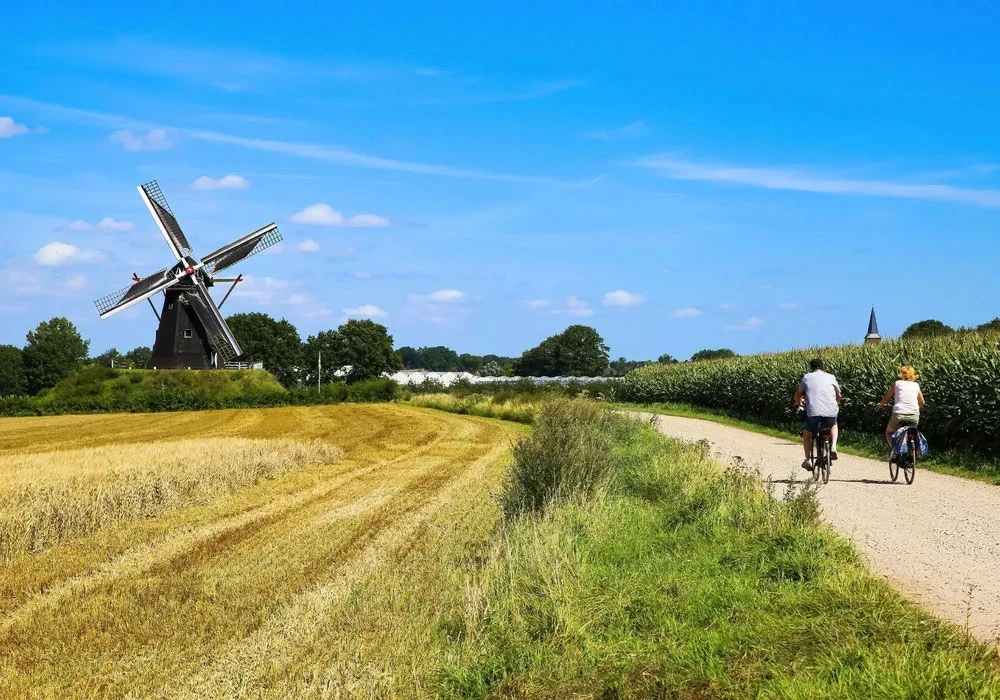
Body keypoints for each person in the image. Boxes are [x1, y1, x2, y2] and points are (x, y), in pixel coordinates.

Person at [794, 358, 841, 471]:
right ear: (822, 367)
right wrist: (836, 403)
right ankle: (833, 446)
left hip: (813, 411)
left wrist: (798, 403)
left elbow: (798, 393)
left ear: (811, 367)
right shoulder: (831, 377)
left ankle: (808, 460)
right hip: (831, 410)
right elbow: (839, 395)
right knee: (833, 424)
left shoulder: (807, 377)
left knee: (808, 433)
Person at [877, 365, 925, 456]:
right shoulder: (916, 385)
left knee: (889, 432)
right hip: (914, 415)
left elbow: (887, 396)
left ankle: (895, 450)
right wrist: (917, 407)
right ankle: (912, 453)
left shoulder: (897, 383)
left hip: (899, 414)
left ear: (902, 375)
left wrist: (881, 404)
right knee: (912, 431)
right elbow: (922, 402)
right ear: (913, 375)